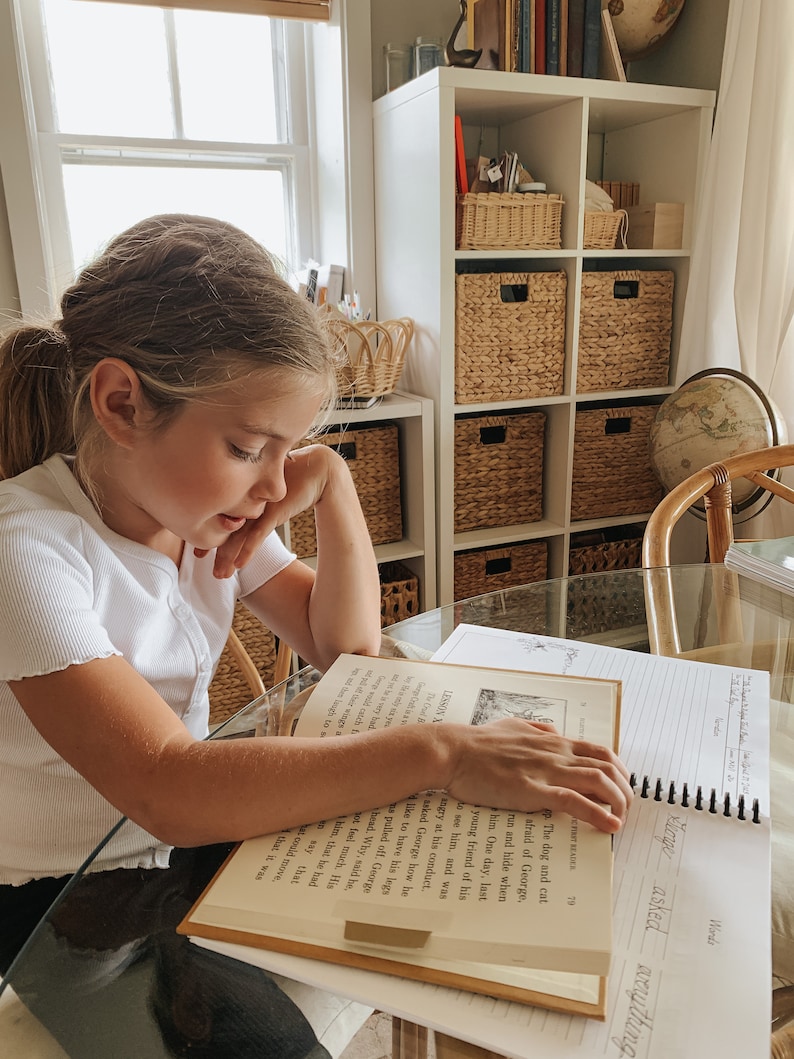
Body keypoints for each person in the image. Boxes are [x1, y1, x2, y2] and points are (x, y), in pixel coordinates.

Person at [0, 214, 632, 1052]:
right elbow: (168, 786)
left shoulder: (193, 505)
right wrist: (445, 752)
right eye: (248, 446)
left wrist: (333, 485)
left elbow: (345, 649)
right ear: (121, 403)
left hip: (185, 850)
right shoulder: (27, 551)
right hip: (69, 904)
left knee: (451, 926)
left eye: (289, 450)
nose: (272, 482)